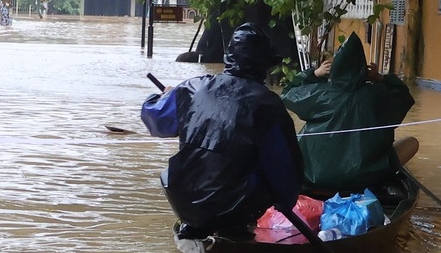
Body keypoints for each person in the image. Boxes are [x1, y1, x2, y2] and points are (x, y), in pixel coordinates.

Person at [146, 25, 305, 239]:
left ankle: (197, 225)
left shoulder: (192, 89)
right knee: (267, 176)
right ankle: (236, 231)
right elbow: (286, 170)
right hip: (230, 205)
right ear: (264, 65)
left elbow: (154, 118)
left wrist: (167, 97)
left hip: (181, 200)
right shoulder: (268, 105)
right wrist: (285, 202)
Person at [281, 32, 416, 195]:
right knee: (412, 142)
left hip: (316, 177)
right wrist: (380, 78)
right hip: (366, 178)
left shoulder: (317, 93)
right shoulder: (377, 94)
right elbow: (404, 97)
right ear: (363, 70)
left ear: (334, 69)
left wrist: (315, 74)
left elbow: (287, 93)